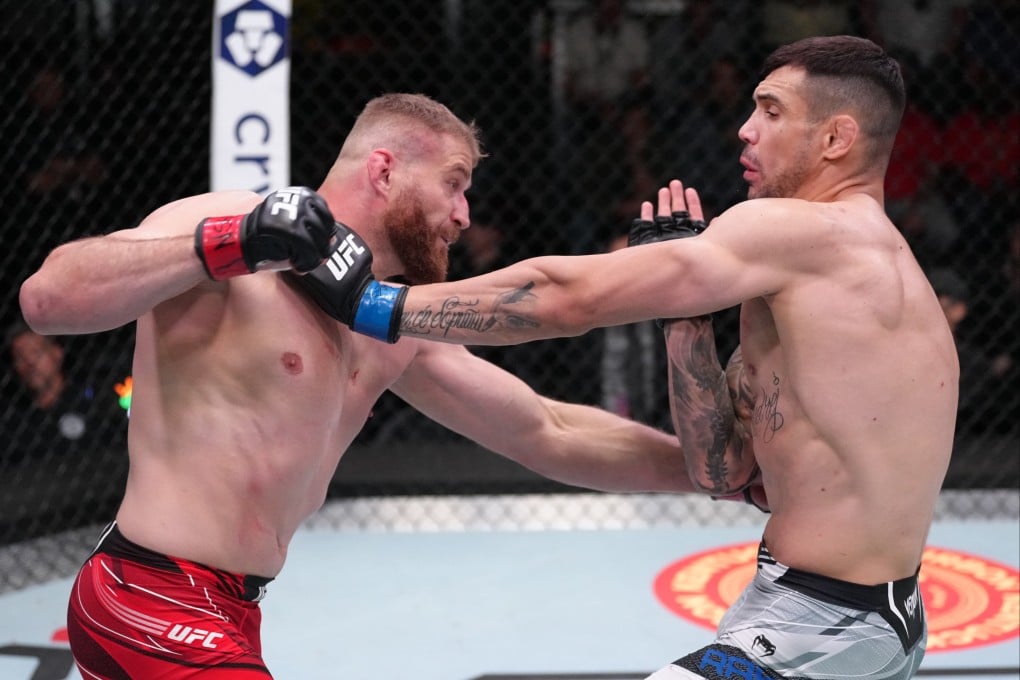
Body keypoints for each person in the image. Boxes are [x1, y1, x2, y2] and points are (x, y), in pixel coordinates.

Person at [321, 37, 956, 678]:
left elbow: (562, 299)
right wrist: (685, 321)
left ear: (836, 139)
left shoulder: (805, 232)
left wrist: (369, 303)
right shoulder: (848, 270)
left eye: (771, 111)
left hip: (824, 623)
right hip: (834, 613)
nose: (745, 131)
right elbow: (724, 472)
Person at [18, 93, 699, 678]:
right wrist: (228, 241)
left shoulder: (390, 321)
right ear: (384, 170)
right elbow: (48, 297)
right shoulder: (236, 224)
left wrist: (717, 474)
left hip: (231, 609)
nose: (464, 216)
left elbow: (548, 430)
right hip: (149, 593)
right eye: (455, 184)